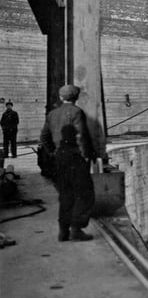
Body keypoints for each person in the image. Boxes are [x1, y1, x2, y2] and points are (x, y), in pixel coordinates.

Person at [40, 85, 96, 241]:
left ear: (60, 97)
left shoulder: (52, 114)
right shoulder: (76, 112)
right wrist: (86, 156)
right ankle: (76, 230)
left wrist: (53, 152)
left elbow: (44, 137)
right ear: (76, 98)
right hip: (75, 159)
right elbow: (81, 136)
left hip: (59, 159)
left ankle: (63, 231)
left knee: (65, 195)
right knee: (83, 194)